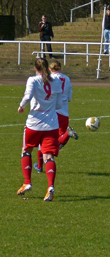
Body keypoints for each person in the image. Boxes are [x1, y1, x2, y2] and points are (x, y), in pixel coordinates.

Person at [17, 58, 63, 201]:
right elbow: (60, 104)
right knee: (48, 156)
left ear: (35, 69)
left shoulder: (33, 80)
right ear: (48, 68)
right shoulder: (56, 81)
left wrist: (21, 106)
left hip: (34, 124)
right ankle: (50, 187)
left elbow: (28, 96)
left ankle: (27, 182)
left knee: (26, 151)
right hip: (51, 125)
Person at [34, 60, 78, 173]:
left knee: (44, 139)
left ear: (49, 69)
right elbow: (69, 98)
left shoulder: (50, 79)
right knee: (59, 139)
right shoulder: (67, 79)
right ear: (61, 68)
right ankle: (67, 134)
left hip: (52, 111)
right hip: (64, 112)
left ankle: (40, 166)